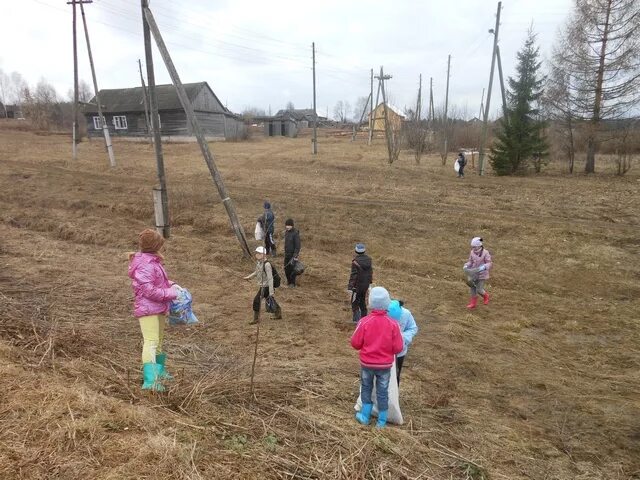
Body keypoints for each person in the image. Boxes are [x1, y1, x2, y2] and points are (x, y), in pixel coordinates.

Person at [128, 229, 178, 392]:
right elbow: (149, 290)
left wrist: (171, 285)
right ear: (156, 246)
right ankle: (151, 381)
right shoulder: (145, 265)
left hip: (158, 306)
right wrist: (171, 293)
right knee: (151, 341)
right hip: (148, 308)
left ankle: (160, 371)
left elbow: (156, 282)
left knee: (158, 341)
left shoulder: (152, 262)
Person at [351, 287, 403, 428]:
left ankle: (365, 416)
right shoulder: (394, 324)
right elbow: (398, 348)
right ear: (387, 303)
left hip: (367, 364)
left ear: (370, 302)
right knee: (382, 391)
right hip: (385, 366)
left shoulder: (364, 322)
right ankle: (381, 421)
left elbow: (355, 343)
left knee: (366, 387)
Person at [244, 246, 282, 324]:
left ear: (264, 255)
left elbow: (270, 278)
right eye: (256, 253)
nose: (257, 255)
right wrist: (248, 277)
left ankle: (256, 319)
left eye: (259, 253)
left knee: (256, 300)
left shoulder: (267, 265)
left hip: (266, 287)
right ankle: (278, 313)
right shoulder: (259, 263)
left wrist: (271, 291)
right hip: (263, 286)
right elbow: (256, 272)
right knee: (269, 299)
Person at [387, 300, 418, 386]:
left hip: (399, 352)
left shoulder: (406, 314)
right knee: (382, 375)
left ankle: (394, 396)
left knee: (396, 374)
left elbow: (413, 328)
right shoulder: (382, 313)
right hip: (383, 351)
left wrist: (402, 338)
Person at [463, 236, 493, 309]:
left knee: (479, 289)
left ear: (479, 246)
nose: (473, 249)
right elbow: (471, 261)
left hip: (482, 274)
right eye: (472, 247)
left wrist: (484, 267)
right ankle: (473, 303)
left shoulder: (485, 253)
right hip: (473, 273)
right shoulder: (472, 252)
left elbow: (489, 263)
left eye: (474, 247)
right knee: (472, 287)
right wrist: (466, 265)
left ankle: (485, 296)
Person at [348, 243, 373, 323]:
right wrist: (369, 282)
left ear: (356, 251)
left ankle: (356, 320)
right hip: (366, 285)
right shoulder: (369, 260)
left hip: (357, 286)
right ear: (364, 251)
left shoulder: (355, 262)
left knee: (354, 301)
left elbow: (354, 275)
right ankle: (364, 319)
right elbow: (370, 272)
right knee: (362, 301)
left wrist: (350, 287)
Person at [283, 218, 301, 288]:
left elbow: (298, 246)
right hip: (286, 254)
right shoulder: (286, 232)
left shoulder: (295, 234)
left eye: (289, 225)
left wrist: (295, 256)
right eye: (286, 225)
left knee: (292, 269)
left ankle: (292, 283)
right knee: (286, 268)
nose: (287, 227)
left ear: (292, 226)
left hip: (292, 255)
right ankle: (288, 281)